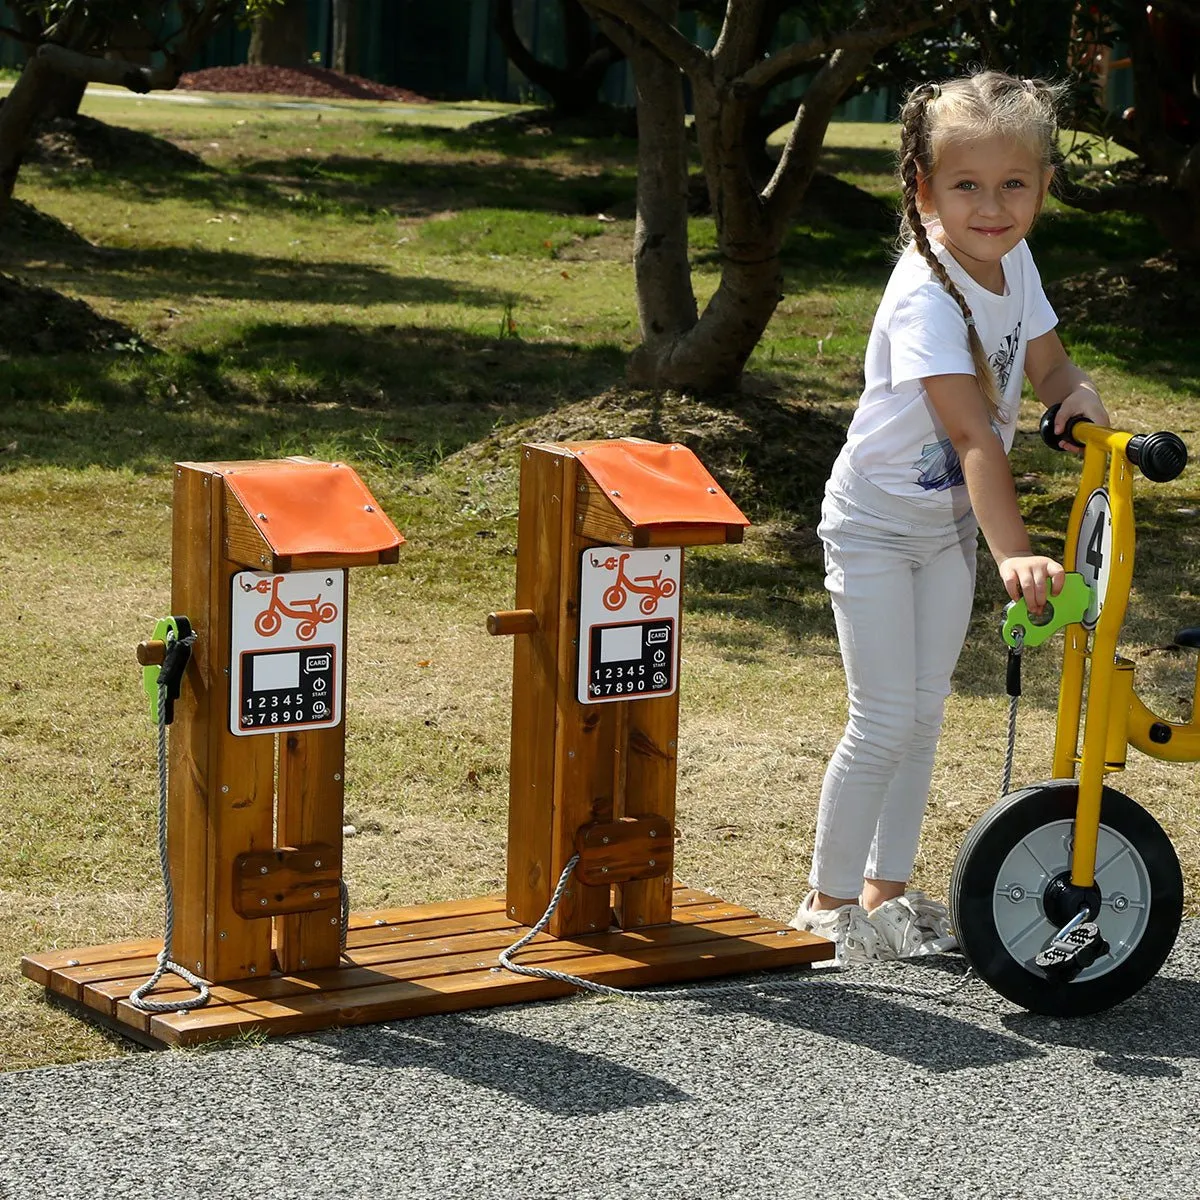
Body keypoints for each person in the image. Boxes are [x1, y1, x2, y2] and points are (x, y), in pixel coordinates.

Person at [792, 70, 1110, 964]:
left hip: (941, 530)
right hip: (874, 525)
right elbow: (973, 435)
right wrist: (1017, 556)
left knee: (926, 713)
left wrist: (1077, 397)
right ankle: (826, 903)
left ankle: (888, 896)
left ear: (1045, 186)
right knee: (884, 716)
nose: (992, 206)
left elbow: (1050, 367)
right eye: (966, 185)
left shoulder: (1014, 263)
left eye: (1014, 184)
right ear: (923, 190)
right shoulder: (928, 294)